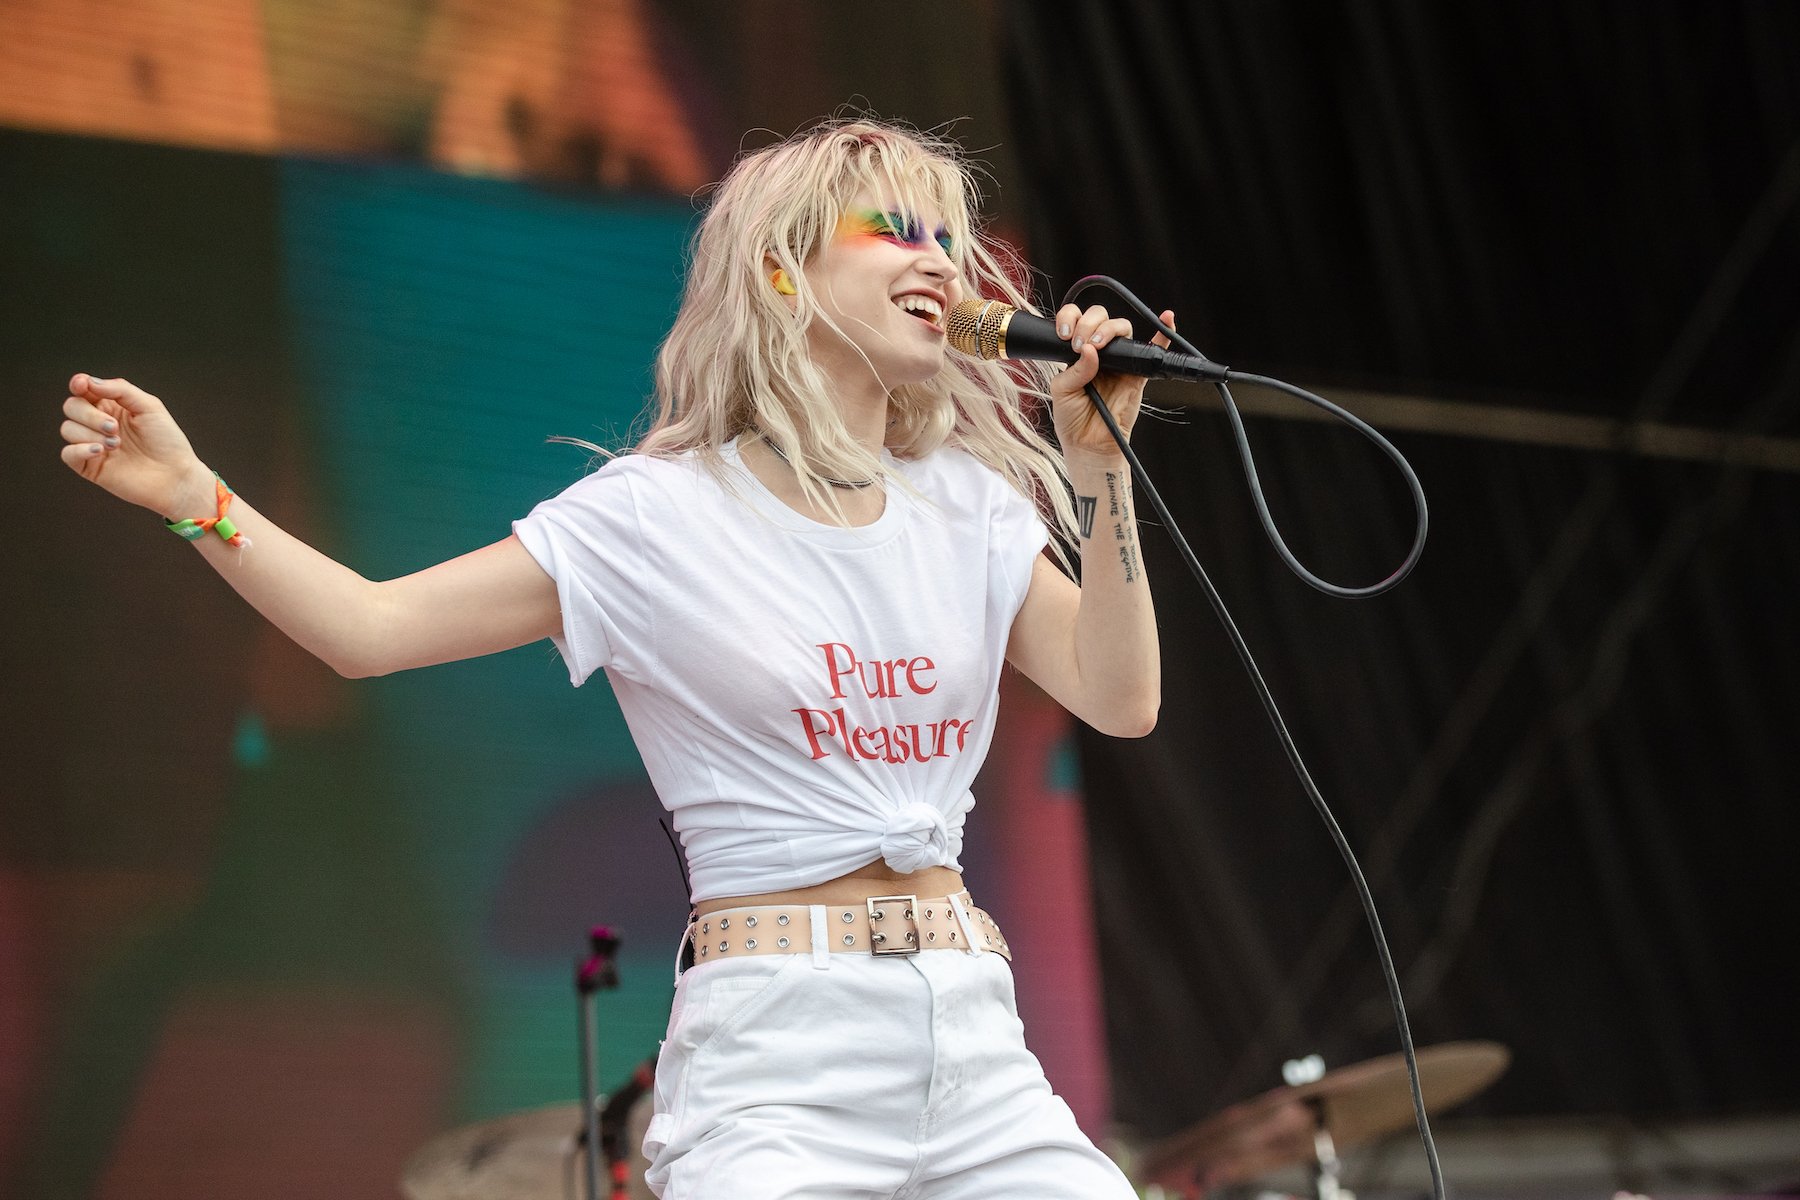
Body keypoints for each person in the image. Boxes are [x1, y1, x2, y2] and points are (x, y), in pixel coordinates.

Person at [56, 117, 1169, 1198]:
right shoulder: (659, 516)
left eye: (945, 240)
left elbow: (1121, 700)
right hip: (783, 1050)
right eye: (897, 232)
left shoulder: (967, 507)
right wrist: (195, 499)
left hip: (974, 1028)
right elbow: (370, 631)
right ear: (782, 272)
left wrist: (1098, 470)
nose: (941, 265)